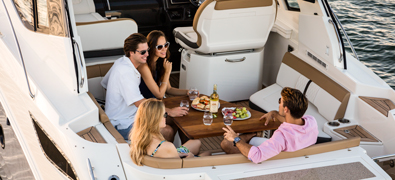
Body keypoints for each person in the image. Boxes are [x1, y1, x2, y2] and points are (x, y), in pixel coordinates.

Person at [101, 33, 188, 141]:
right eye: (142, 52)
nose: (147, 54)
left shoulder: (121, 62)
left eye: (147, 50)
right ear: (131, 53)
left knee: (176, 119)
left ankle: (182, 153)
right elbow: (140, 103)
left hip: (135, 115)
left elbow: (104, 83)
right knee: (167, 131)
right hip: (122, 124)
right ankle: (160, 154)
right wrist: (169, 110)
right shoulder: (125, 73)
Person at [221, 87, 318, 164]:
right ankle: (252, 136)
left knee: (226, 144)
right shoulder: (311, 121)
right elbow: (293, 122)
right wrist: (275, 113)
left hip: (273, 160)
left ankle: (250, 136)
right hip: (294, 158)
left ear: (286, 109)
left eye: (280, 101)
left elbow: (257, 156)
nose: (279, 103)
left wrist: (236, 139)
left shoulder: (281, 136)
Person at [130, 99, 209, 166]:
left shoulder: (138, 138)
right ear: (155, 119)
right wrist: (190, 157)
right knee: (207, 154)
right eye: (164, 114)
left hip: (164, 158)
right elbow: (181, 167)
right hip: (182, 168)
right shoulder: (167, 147)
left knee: (196, 142)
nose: (166, 117)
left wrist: (176, 154)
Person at [138, 30, 190, 99]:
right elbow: (159, 95)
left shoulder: (160, 62)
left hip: (156, 103)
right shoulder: (143, 66)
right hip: (146, 105)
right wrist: (167, 72)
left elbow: (168, 89)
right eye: (159, 47)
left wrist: (188, 92)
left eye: (166, 45)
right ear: (151, 48)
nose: (164, 49)